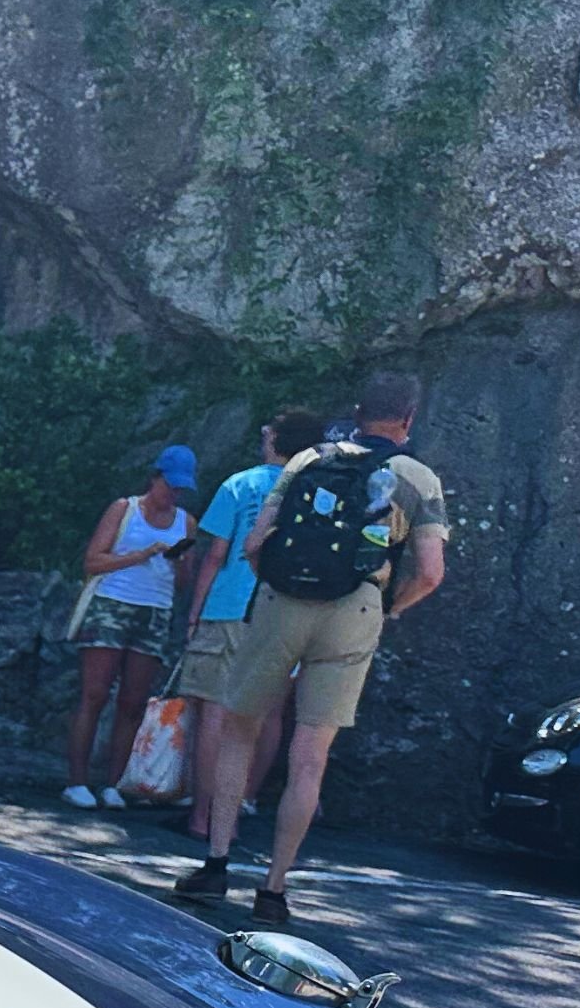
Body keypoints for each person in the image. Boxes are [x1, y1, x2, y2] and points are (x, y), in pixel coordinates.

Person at [176, 370, 447, 924]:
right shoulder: (418, 477)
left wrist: (272, 581)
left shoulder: (307, 460)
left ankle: (216, 864)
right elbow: (430, 573)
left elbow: (256, 542)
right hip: (356, 610)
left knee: (239, 732)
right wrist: (388, 606)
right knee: (309, 756)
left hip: (282, 599)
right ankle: (274, 890)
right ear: (409, 419)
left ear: (357, 412)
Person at [169, 406, 326, 840]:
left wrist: (195, 612)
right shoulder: (319, 492)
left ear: (275, 439)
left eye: (268, 430)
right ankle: (242, 803)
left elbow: (216, 556)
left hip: (232, 608)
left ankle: (205, 817)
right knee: (268, 714)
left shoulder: (241, 485)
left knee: (215, 713)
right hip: (292, 616)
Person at [63, 446, 195, 809]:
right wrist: (139, 556)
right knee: (94, 694)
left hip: (154, 611)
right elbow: (93, 560)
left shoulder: (186, 522)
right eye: (170, 486)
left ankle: (115, 784)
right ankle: (76, 781)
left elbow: (183, 584)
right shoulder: (125, 510)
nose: (173, 494)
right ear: (155, 478)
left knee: (133, 702)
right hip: (113, 603)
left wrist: (180, 562)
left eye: (180, 489)